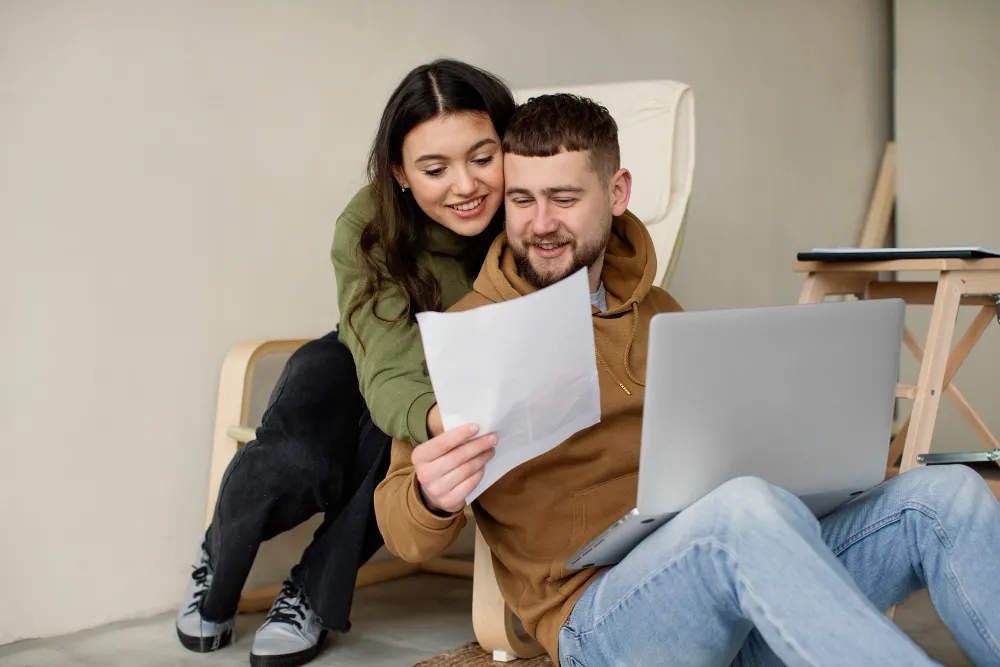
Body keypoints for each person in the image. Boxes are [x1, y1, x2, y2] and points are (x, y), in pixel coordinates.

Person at [373, 93, 1000, 667]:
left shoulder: (660, 310)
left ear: (616, 192)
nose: (540, 223)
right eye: (521, 199)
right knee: (742, 511)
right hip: (601, 620)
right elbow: (402, 530)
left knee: (944, 496)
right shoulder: (467, 334)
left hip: (737, 582)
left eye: (564, 199)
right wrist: (431, 495)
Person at [175, 59, 515, 667]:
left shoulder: (527, 216)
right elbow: (385, 366)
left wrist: (442, 423)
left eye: (482, 158)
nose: (464, 186)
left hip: (446, 383)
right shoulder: (368, 222)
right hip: (362, 355)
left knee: (390, 450)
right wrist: (439, 419)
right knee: (294, 456)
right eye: (435, 168)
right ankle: (216, 564)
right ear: (400, 173)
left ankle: (310, 590)